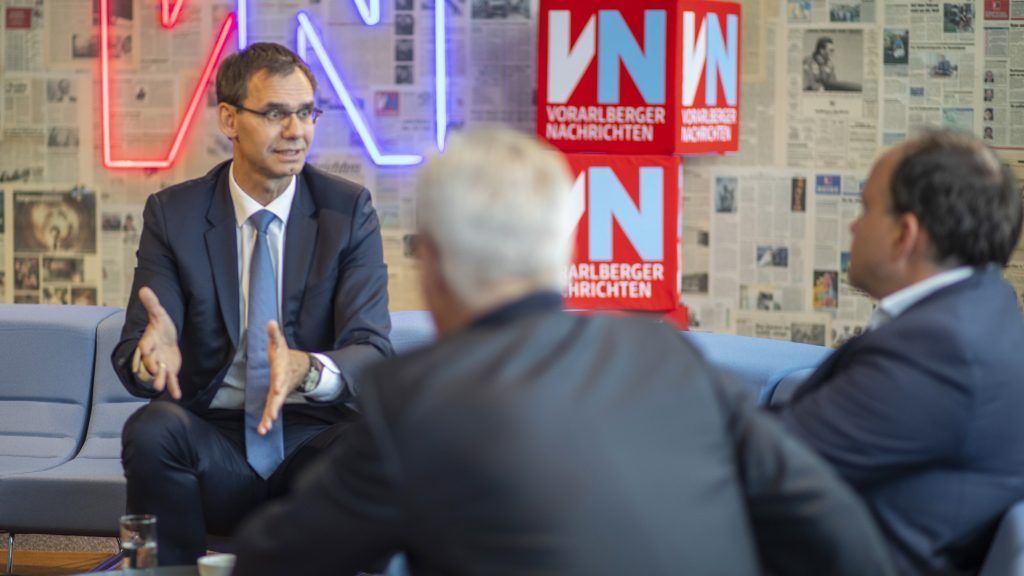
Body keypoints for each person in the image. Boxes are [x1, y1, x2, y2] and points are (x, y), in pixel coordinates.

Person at [232, 127, 897, 576]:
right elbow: (833, 523)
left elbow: (275, 560)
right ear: (565, 247)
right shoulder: (667, 356)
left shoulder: (412, 400)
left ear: (431, 261)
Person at [110, 42, 392, 565]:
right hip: (211, 435)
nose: (296, 131)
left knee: (376, 443)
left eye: (306, 113)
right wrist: (150, 361)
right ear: (229, 119)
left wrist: (307, 368)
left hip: (312, 436)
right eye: (276, 114)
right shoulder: (175, 215)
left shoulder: (347, 211)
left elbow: (371, 349)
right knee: (151, 431)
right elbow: (139, 346)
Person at [774, 130, 1024, 574]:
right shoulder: (987, 305)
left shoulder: (940, 351)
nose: (854, 226)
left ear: (904, 234)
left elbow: (768, 463)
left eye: (867, 208)